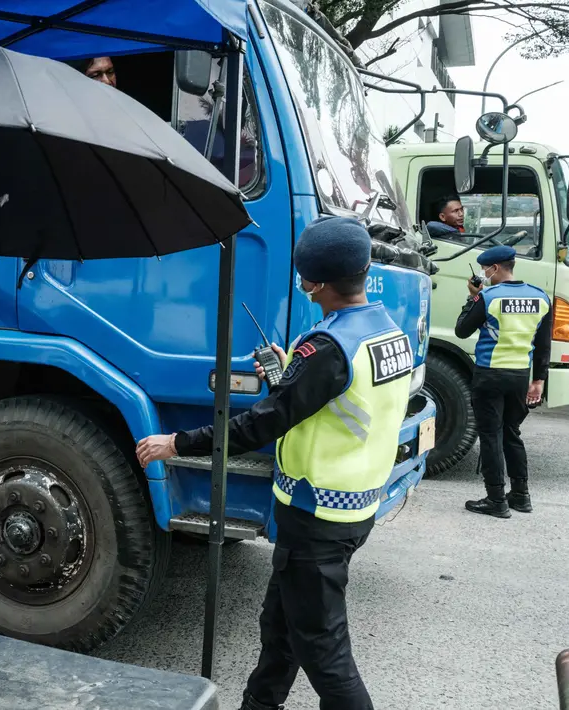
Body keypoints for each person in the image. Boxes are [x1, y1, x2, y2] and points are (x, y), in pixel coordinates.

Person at [137, 217, 412, 710]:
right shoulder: (387, 331)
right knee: (281, 627)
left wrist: (176, 443)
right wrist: (292, 376)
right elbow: (343, 406)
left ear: (313, 284)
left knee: (324, 652)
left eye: (304, 275)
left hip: (317, 517)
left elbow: (258, 426)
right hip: (352, 508)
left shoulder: (327, 348)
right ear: (366, 268)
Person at [454, 244, 551, 518]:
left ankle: (496, 498)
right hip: (520, 376)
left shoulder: (489, 297)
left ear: (494, 268)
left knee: (490, 435)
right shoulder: (540, 297)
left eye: (486, 269)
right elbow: (543, 345)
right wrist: (539, 380)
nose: (484, 273)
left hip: (490, 375)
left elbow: (462, 330)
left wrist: (473, 297)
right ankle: (520, 496)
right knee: (511, 433)